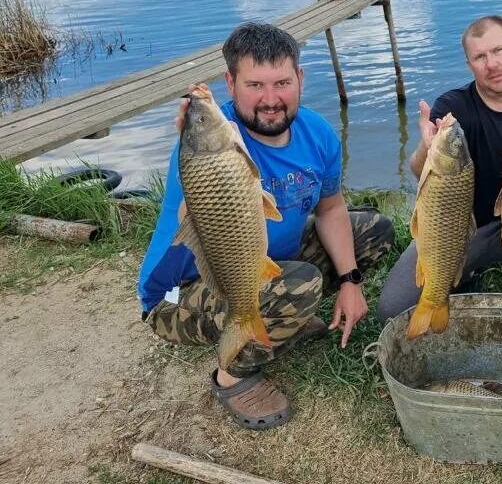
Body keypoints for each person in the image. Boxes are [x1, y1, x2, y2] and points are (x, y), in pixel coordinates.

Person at [138, 22, 394, 430]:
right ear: (230, 83)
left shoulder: (318, 133)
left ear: (300, 79)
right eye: (255, 84)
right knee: (301, 282)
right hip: (181, 291)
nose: (271, 100)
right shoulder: (210, 148)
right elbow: (199, 150)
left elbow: (330, 208)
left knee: (374, 231)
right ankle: (232, 375)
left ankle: (283, 315)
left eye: (282, 83)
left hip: (266, 260)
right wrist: (194, 124)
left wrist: (350, 281)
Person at [377, 15, 502, 320]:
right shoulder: (452, 108)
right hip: (461, 227)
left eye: (499, 51)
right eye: (480, 56)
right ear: (469, 65)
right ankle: (463, 273)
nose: (491, 64)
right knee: (393, 310)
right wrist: (426, 147)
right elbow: (420, 172)